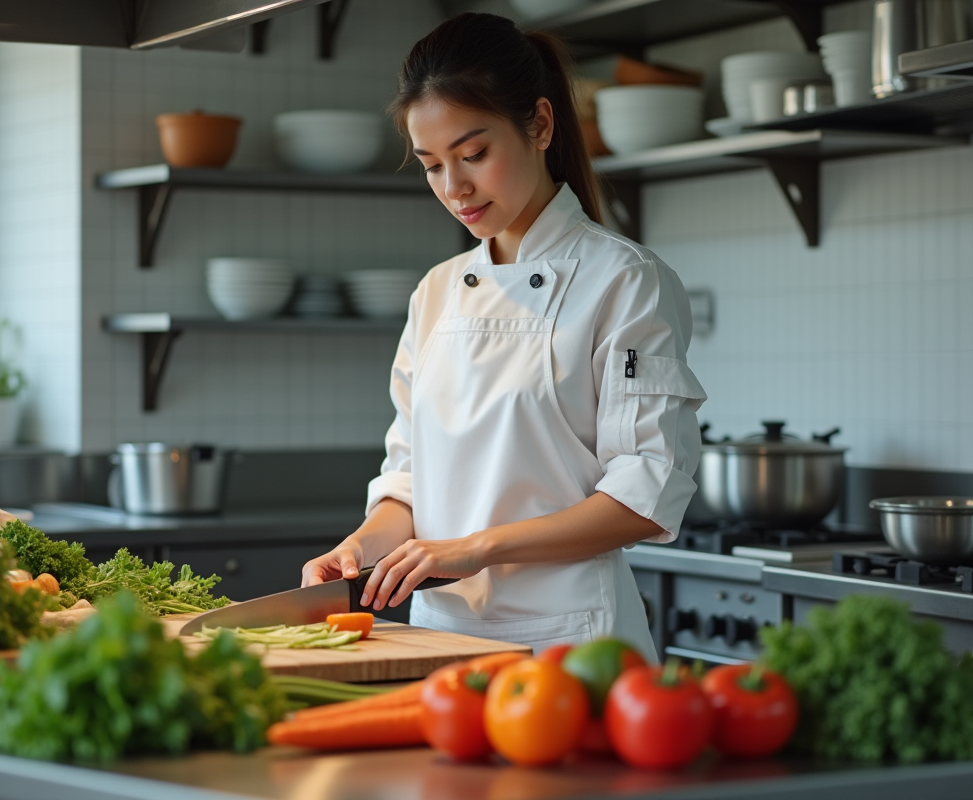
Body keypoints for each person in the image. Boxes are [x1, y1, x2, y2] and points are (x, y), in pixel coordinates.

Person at [301, 12, 706, 658]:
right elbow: (409, 482)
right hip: (436, 640)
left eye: (473, 155)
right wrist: (359, 548)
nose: (454, 188)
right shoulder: (436, 292)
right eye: (432, 165)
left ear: (540, 124)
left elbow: (644, 494)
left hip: (572, 646)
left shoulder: (625, 280)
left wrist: (478, 548)